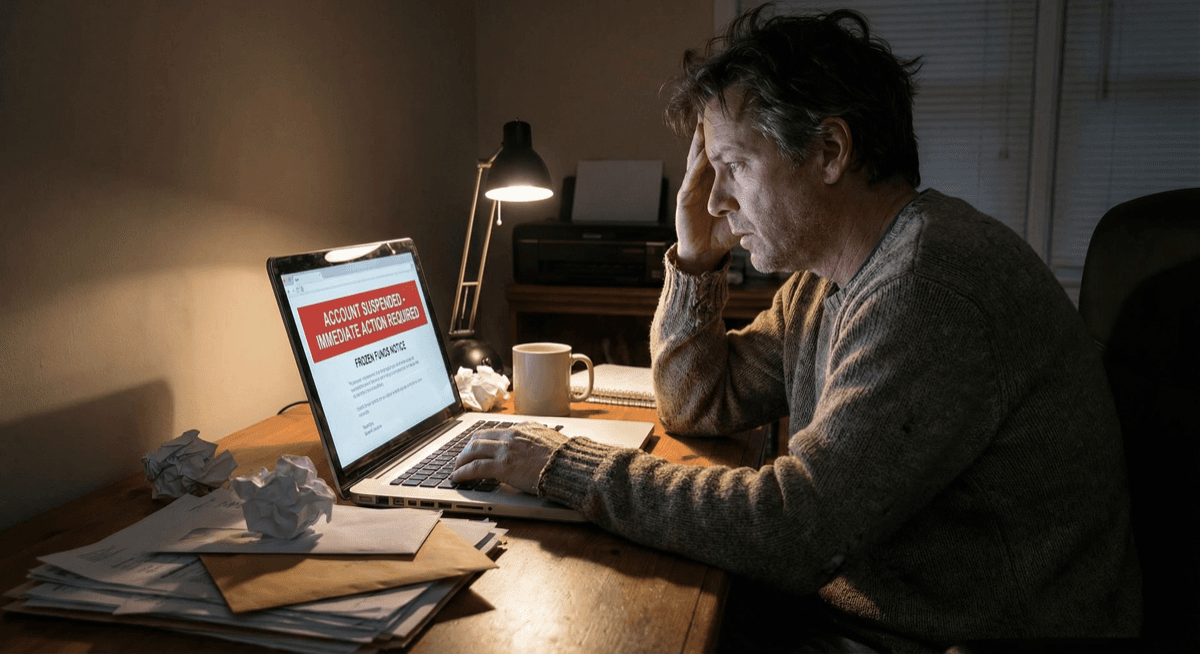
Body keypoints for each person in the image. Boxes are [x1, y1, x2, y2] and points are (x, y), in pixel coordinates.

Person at [451, 6, 1141, 652]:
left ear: (830, 151)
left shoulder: (931, 288)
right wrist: (694, 259)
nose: (716, 198)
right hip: (875, 617)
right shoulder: (826, 280)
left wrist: (561, 464)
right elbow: (698, 403)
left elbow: (791, 530)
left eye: (734, 167)